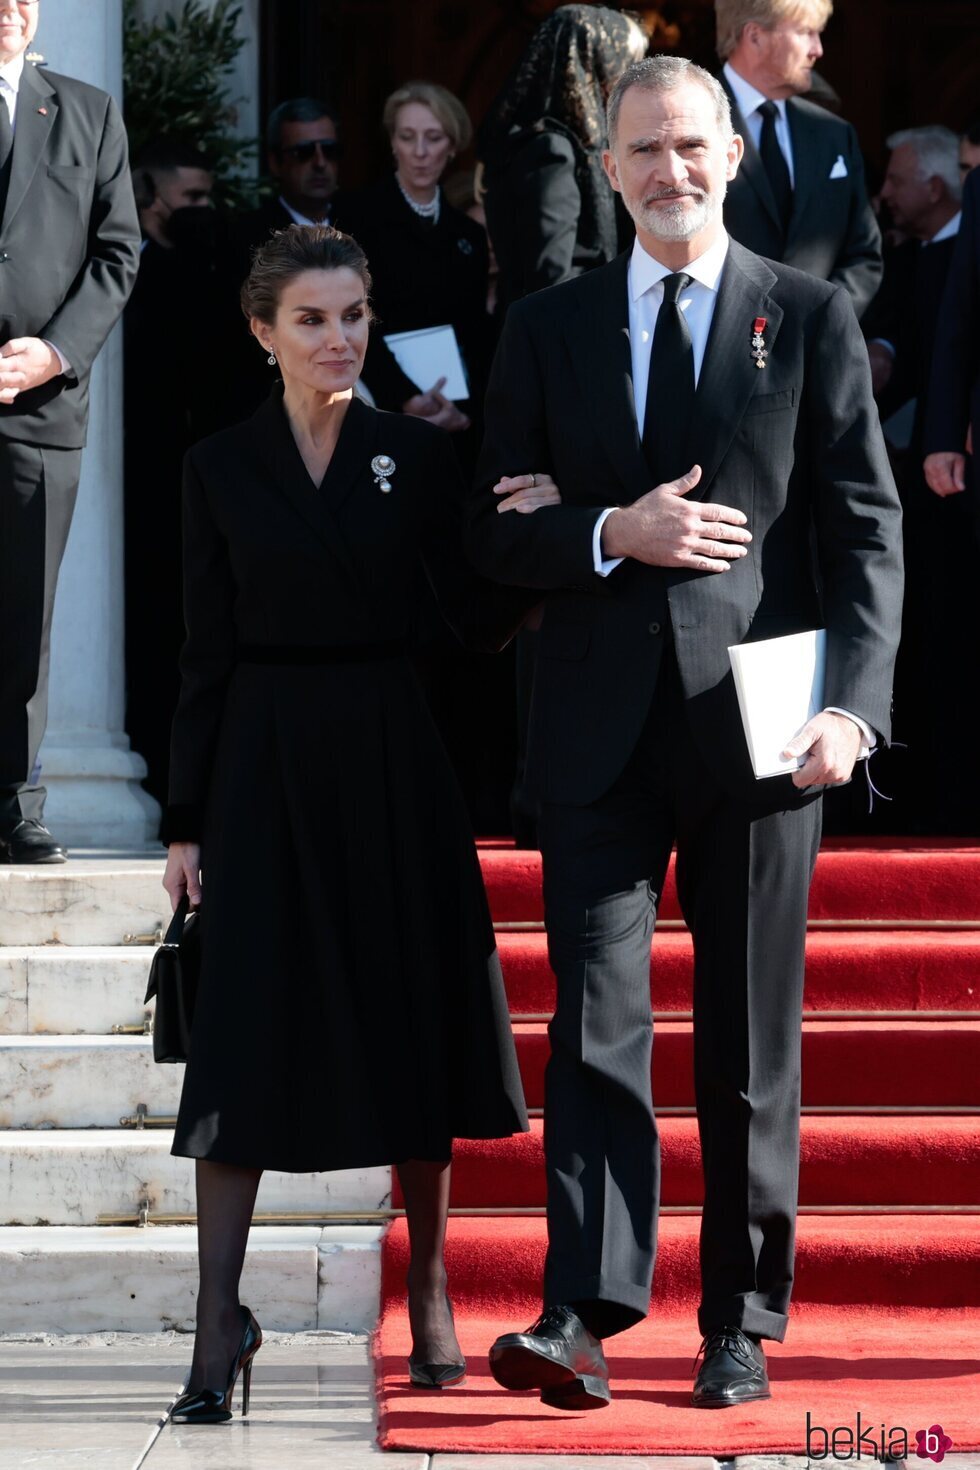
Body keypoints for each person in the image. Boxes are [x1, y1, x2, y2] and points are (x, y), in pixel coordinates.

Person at [468, 56, 902, 1412]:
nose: (671, 170)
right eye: (644, 149)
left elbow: (865, 530)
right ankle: (580, 1312)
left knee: (747, 1045)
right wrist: (607, 530)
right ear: (608, 168)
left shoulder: (808, 312)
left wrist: (857, 705)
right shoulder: (547, 327)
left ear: (732, 155)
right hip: (593, 727)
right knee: (594, 1028)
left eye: (693, 146)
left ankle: (740, 1316)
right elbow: (490, 530)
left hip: (764, 727)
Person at [160, 224, 562, 1421]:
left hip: (393, 755)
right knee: (238, 1035)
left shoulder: (415, 456)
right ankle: (213, 1326)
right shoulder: (216, 467)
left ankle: (431, 1285)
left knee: (407, 1011)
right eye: (313, 321)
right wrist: (185, 819)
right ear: (261, 333)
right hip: (261, 768)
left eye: (354, 317)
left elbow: (464, 616)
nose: (340, 341)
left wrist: (537, 534)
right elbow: (203, 652)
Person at [0, 0, 140, 863]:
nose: (9, 10)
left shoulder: (85, 111)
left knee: (25, 615)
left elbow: (117, 250)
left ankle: (16, 803)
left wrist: (55, 352)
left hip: (42, 406)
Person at [858, 127, 967, 834]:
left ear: (934, 186)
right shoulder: (908, 255)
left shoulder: (965, 247)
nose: (886, 193)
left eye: (897, 181)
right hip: (911, 486)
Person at [123, 140, 222, 807]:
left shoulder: (202, 269)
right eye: (192, 200)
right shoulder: (130, 273)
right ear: (151, 197)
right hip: (137, 480)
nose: (204, 212)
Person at [337, 81, 484, 443]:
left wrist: (466, 410)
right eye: (407, 136)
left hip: (455, 413)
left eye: (433, 138)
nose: (420, 151)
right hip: (378, 402)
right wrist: (404, 397)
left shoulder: (469, 234)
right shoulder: (356, 217)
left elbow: (476, 331)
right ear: (392, 143)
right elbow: (350, 315)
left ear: (452, 146)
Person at [477, 5, 648, 316]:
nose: (628, 81)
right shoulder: (550, 150)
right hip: (561, 334)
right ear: (594, 63)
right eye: (626, 64)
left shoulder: (550, 143)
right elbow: (552, 276)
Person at [716, 0, 882, 319]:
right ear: (755, 36)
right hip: (718, 350)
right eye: (806, 32)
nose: (817, 50)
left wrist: (823, 323)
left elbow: (863, 253)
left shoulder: (834, 133)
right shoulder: (688, 121)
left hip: (817, 354)